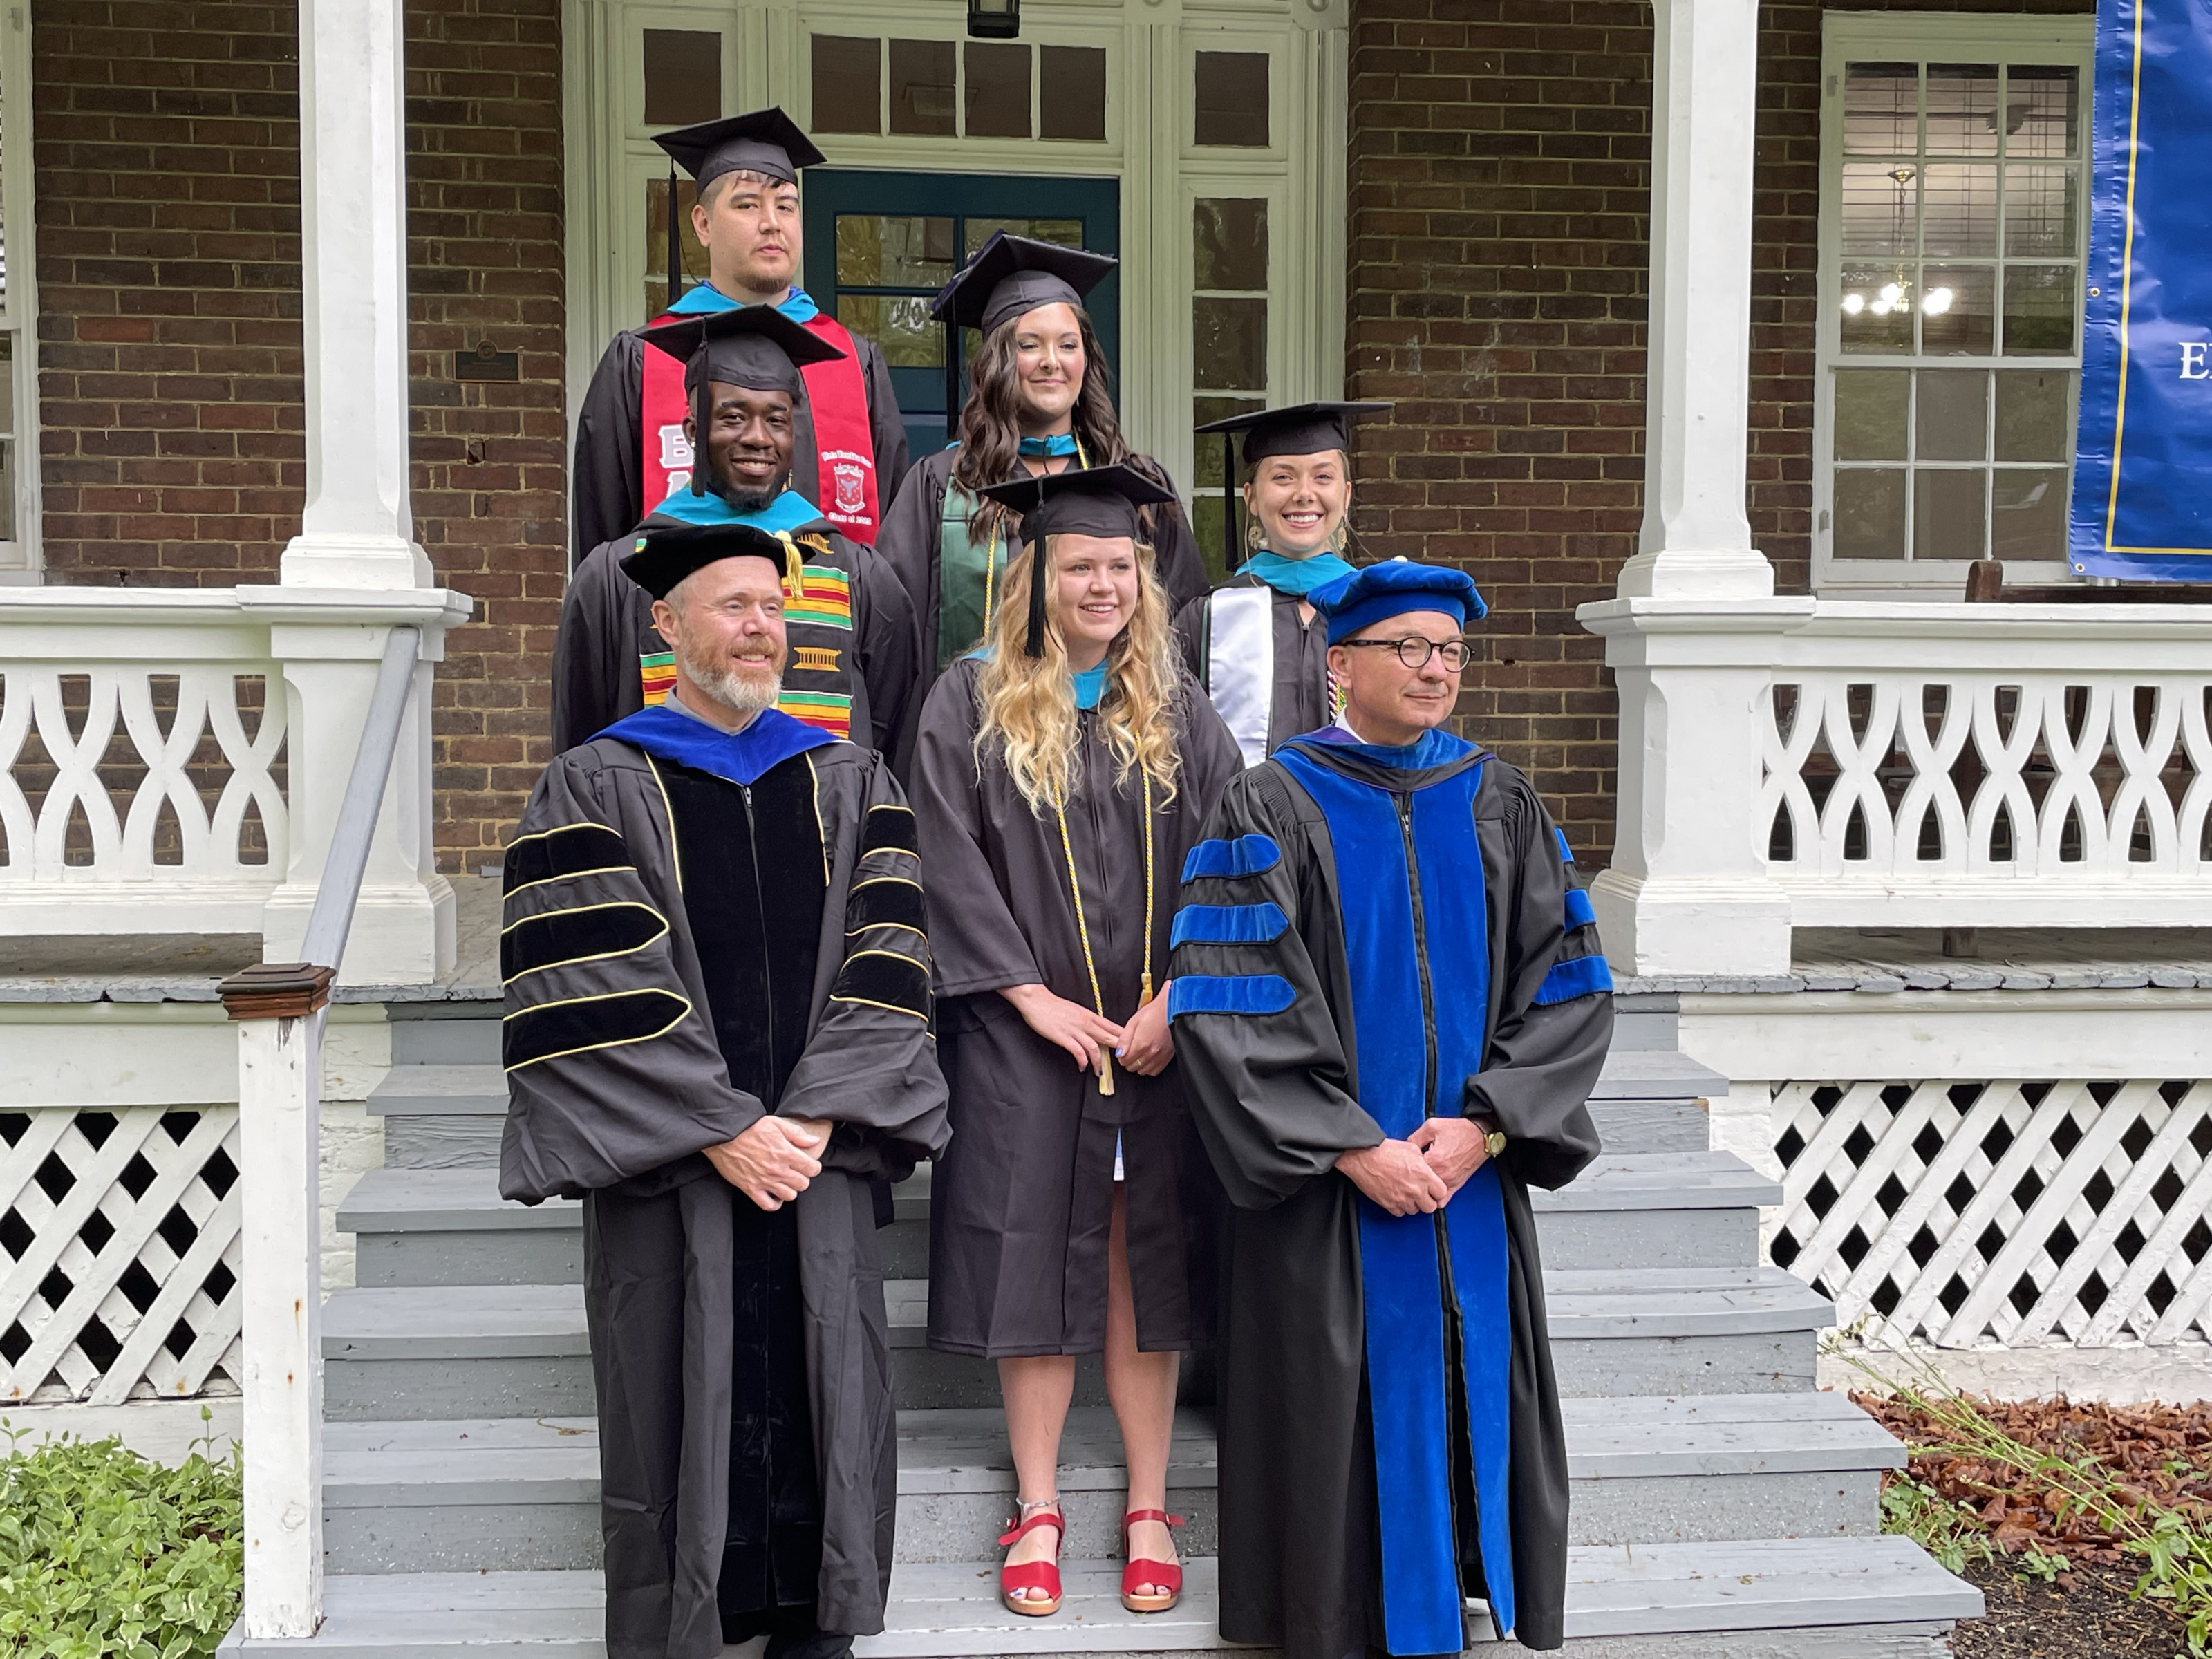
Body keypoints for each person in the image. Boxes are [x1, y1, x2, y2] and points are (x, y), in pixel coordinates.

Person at [501, 517, 949, 1659]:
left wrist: (806, 1118)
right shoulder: (591, 785)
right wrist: (719, 1127)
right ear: (667, 623)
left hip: (820, 1162)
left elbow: (890, 959)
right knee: (669, 1411)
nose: (761, 629)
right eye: (733, 606)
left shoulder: (851, 779)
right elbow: (590, 982)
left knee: (830, 1409)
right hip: (674, 1183)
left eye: (774, 608)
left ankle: (816, 1629)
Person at [1167, 560, 1615, 1656]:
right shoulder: (1270, 802)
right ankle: (1334, 1617)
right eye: (1408, 649)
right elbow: (1227, 1002)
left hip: (1467, 1176)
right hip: (1331, 1194)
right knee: (1334, 1406)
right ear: (1342, 666)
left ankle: (1464, 1585)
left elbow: (1570, 984)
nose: (1434, 670)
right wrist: (1351, 1144)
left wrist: (1486, 1124)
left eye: (1450, 651)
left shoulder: (1499, 798)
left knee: (1469, 1373)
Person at [908, 465, 1241, 1621]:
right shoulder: (968, 700)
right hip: (1024, 1042)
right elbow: (940, 855)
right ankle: (1038, 1505)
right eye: (1079, 565)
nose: (1101, 583)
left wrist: (1180, 1000)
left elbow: (1232, 868)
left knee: (1139, 1269)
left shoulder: (1184, 714)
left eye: (1119, 566)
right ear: (1036, 577)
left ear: (1142, 581)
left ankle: (1150, 1504)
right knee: (1030, 1256)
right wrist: (1021, 994)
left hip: (1155, 1044)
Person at [877, 234, 1210, 764]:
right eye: (1029, 345)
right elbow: (893, 640)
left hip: (1112, 758)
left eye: (1068, 344)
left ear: (1087, 359)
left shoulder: (1135, 484)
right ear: (997, 361)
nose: (1051, 362)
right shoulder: (941, 486)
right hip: (972, 753)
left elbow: (1181, 630)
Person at [554, 305, 919, 755]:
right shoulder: (617, 576)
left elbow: (891, 737)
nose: (758, 438)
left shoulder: (860, 576)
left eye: (776, 420)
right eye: (732, 417)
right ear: (692, 430)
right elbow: (581, 748)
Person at [571, 107, 908, 560]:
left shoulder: (851, 359)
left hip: (828, 620)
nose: (772, 222)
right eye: (748, 204)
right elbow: (603, 539)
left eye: (786, 206)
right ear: (703, 225)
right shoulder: (643, 358)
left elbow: (889, 537)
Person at [1175, 402, 1388, 765]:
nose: (1304, 493)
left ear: (1347, 495)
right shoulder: (1209, 617)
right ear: (1252, 497)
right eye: (1283, 477)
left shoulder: (1383, 611)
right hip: (1243, 819)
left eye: (1323, 477)